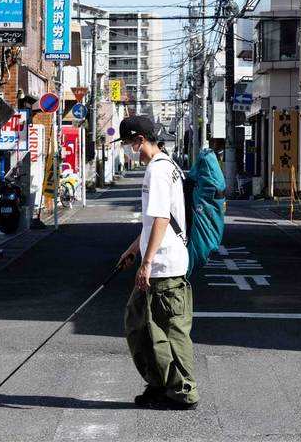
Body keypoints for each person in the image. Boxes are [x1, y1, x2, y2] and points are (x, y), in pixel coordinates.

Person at [115, 115, 198, 410]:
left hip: (165, 266)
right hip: (160, 262)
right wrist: (133, 249)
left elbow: (163, 219)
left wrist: (146, 262)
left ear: (139, 140)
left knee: (166, 333)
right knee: (140, 327)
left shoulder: (158, 171)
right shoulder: (167, 167)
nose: (127, 150)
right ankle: (159, 384)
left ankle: (181, 391)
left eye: (127, 144)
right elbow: (153, 222)